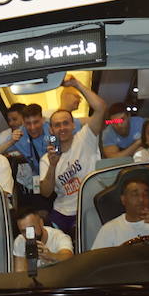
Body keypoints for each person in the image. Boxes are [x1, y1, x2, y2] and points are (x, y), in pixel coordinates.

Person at [38, 76, 108, 236]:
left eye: (65, 123)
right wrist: (53, 165)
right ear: (51, 130)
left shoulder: (86, 137)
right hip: (62, 212)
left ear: (72, 125)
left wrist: (76, 84)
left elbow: (101, 107)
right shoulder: (46, 159)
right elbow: (45, 192)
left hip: (91, 205)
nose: (62, 128)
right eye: (57, 125)